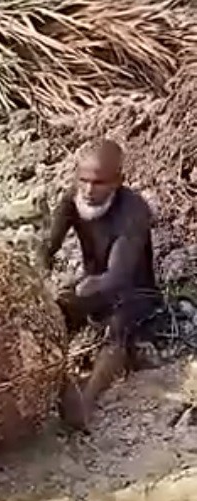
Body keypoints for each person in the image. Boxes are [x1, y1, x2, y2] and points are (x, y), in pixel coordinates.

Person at [41, 138, 161, 430]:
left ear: (118, 180)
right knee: (54, 314)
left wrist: (84, 289)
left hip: (134, 293)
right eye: (83, 181)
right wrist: (39, 272)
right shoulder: (72, 200)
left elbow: (117, 277)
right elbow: (47, 246)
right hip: (94, 285)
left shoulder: (133, 212)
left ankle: (87, 399)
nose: (89, 191)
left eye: (98, 183)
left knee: (116, 330)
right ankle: (40, 375)